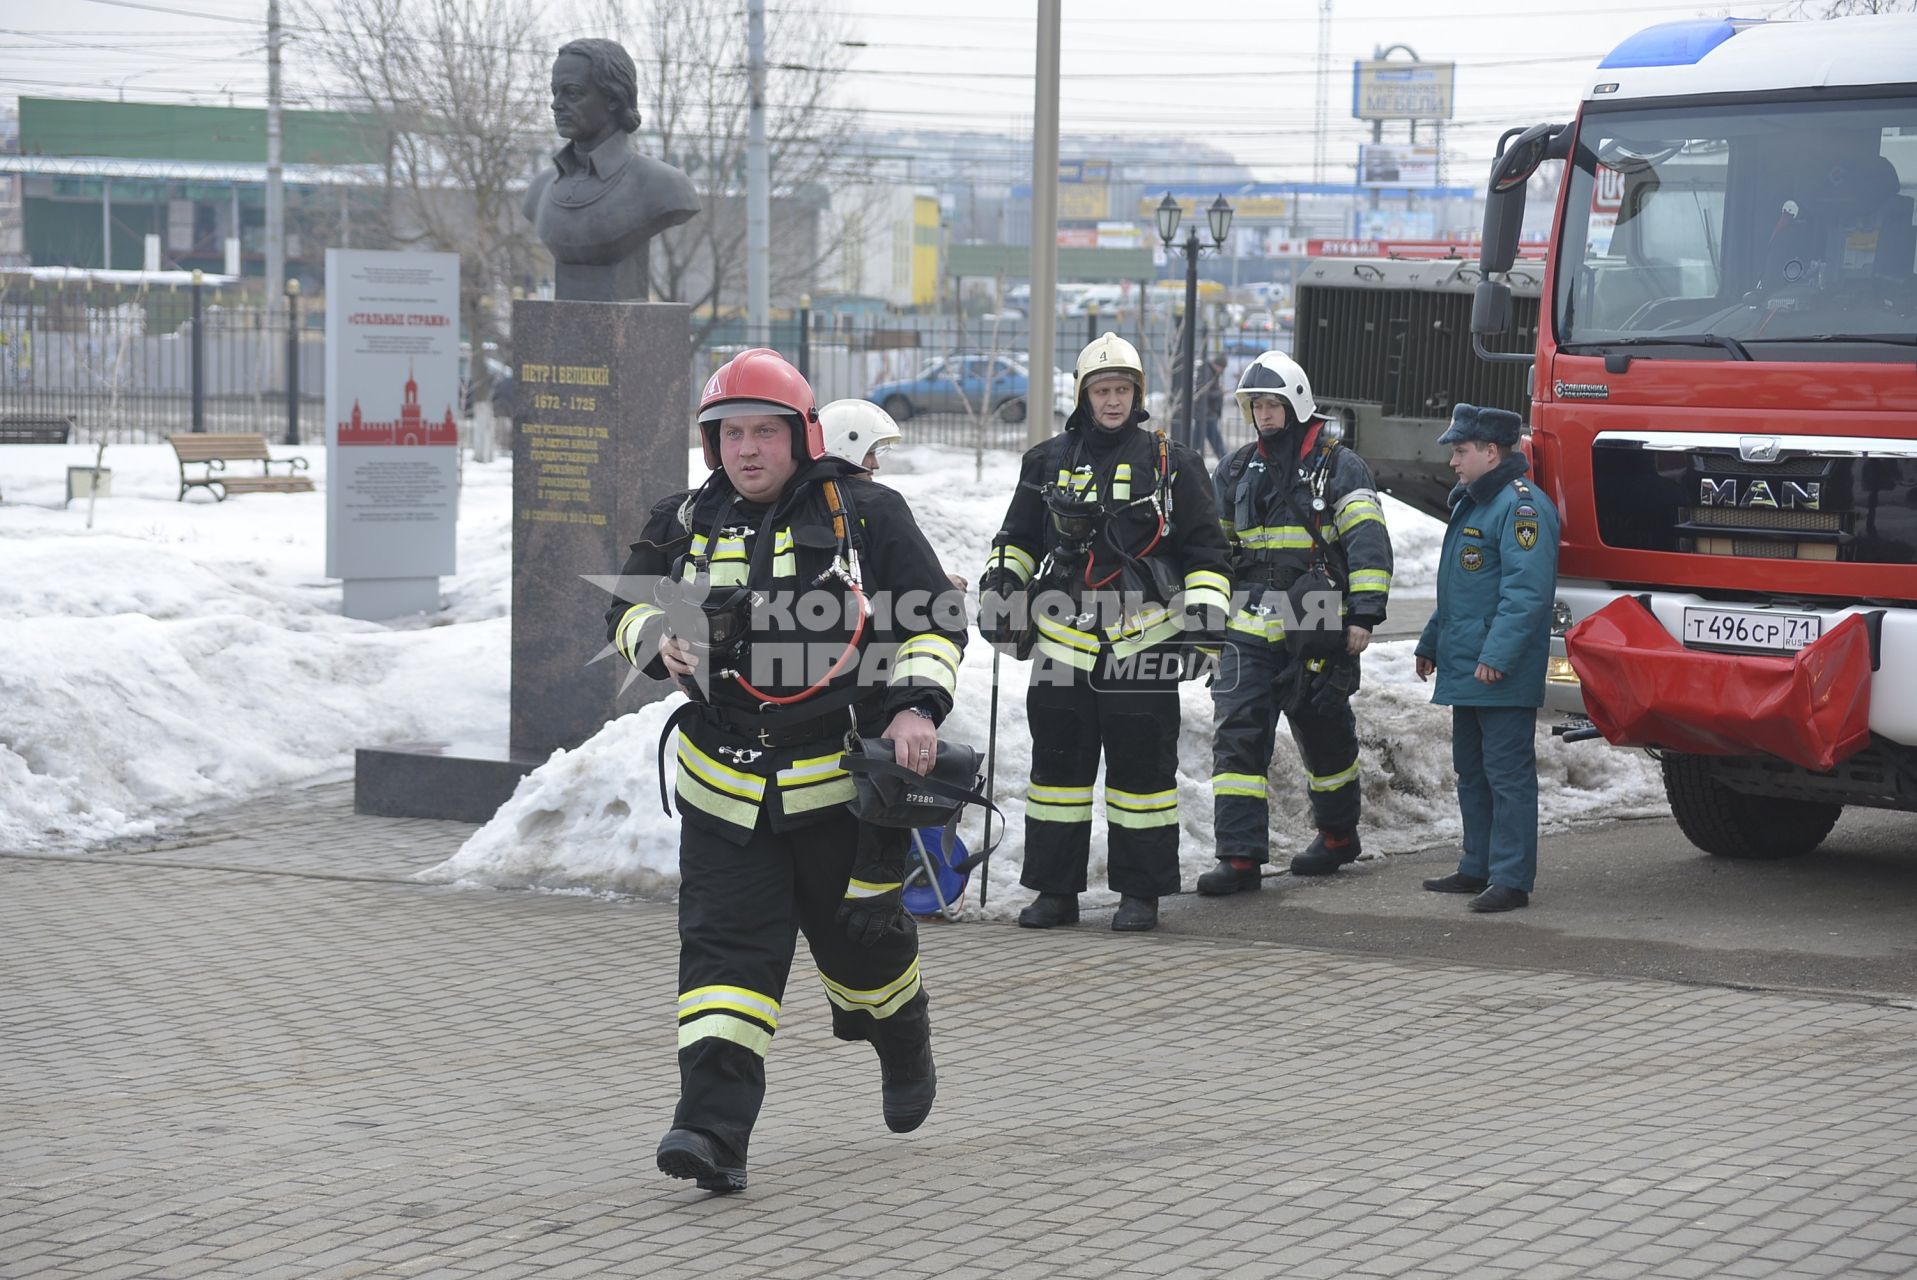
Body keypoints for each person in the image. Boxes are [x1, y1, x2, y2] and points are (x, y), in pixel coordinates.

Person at [605, 349, 967, 1192]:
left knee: (861, 955)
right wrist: (655, 639)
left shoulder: (865, 514)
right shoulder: (681, 520)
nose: (748, 449)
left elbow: (934, 620)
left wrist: (916, 707)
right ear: (711, 444)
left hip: (842, 790)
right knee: (725, 961)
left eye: (765, 431)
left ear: (801, 435)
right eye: (730, 433)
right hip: (723, 789)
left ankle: (900, 1035)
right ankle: (710, 1133)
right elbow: (622, 608)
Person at [977, 333, 1232, 933]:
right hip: (1062, 649)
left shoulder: (1173, 463)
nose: (1112, 401)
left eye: (1122, 390)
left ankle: (1140, 895)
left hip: (1140, 646)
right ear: (1083, 395)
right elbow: (1016, 539)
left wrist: (1204, 627)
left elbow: (1207, 552)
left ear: (1137, 395)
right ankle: (1054, 892)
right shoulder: (1046, 461)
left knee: (1142, 777)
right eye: (1102, 390)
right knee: (1057, 775)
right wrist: (1002, 588)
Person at [1196, 352, 1394, 896]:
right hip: (1248, 619)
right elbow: (1213, 550)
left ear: (1297, 404)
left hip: (1316, 615)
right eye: (1255, 405)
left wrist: (1364, 614)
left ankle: (1337, 835)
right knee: (1237, 736)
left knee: (1323, 727)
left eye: (1273, 404)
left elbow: (1367, 541)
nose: (1263, 414)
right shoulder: (1234, 469)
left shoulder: (1338, 464)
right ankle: (1238, 858)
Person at [1414, 403, 1560, 913]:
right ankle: (1477, 865)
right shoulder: (1474, 504)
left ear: (1491, 452)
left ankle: (1511, 878)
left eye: (1461, 451)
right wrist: (1431, 642)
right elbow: (1462, 593)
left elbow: (1526, 594)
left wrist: (1497, 655)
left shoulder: (1522, 508)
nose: (1453, 462)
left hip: (1498, 671)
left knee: (1506, 774)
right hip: (1468, 665)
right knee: (1471, 771)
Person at [523, 37, 700, 298]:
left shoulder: (665, 187)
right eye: (554, 91)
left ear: (614, 98)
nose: (556, 104)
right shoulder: (540, 189)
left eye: (572, 92)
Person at [1195, 354, 1229, 463]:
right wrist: (1220, 392)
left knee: (1197, 440)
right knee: (1214, 440)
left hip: (1207, 413)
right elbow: (1204, 393)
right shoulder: (1207, 372)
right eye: (1222, 368)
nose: (1222, 371)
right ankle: (1225, 460)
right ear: (1218, 366)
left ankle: (1224, 459)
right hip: (1206, 413)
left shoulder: (1209, 372)